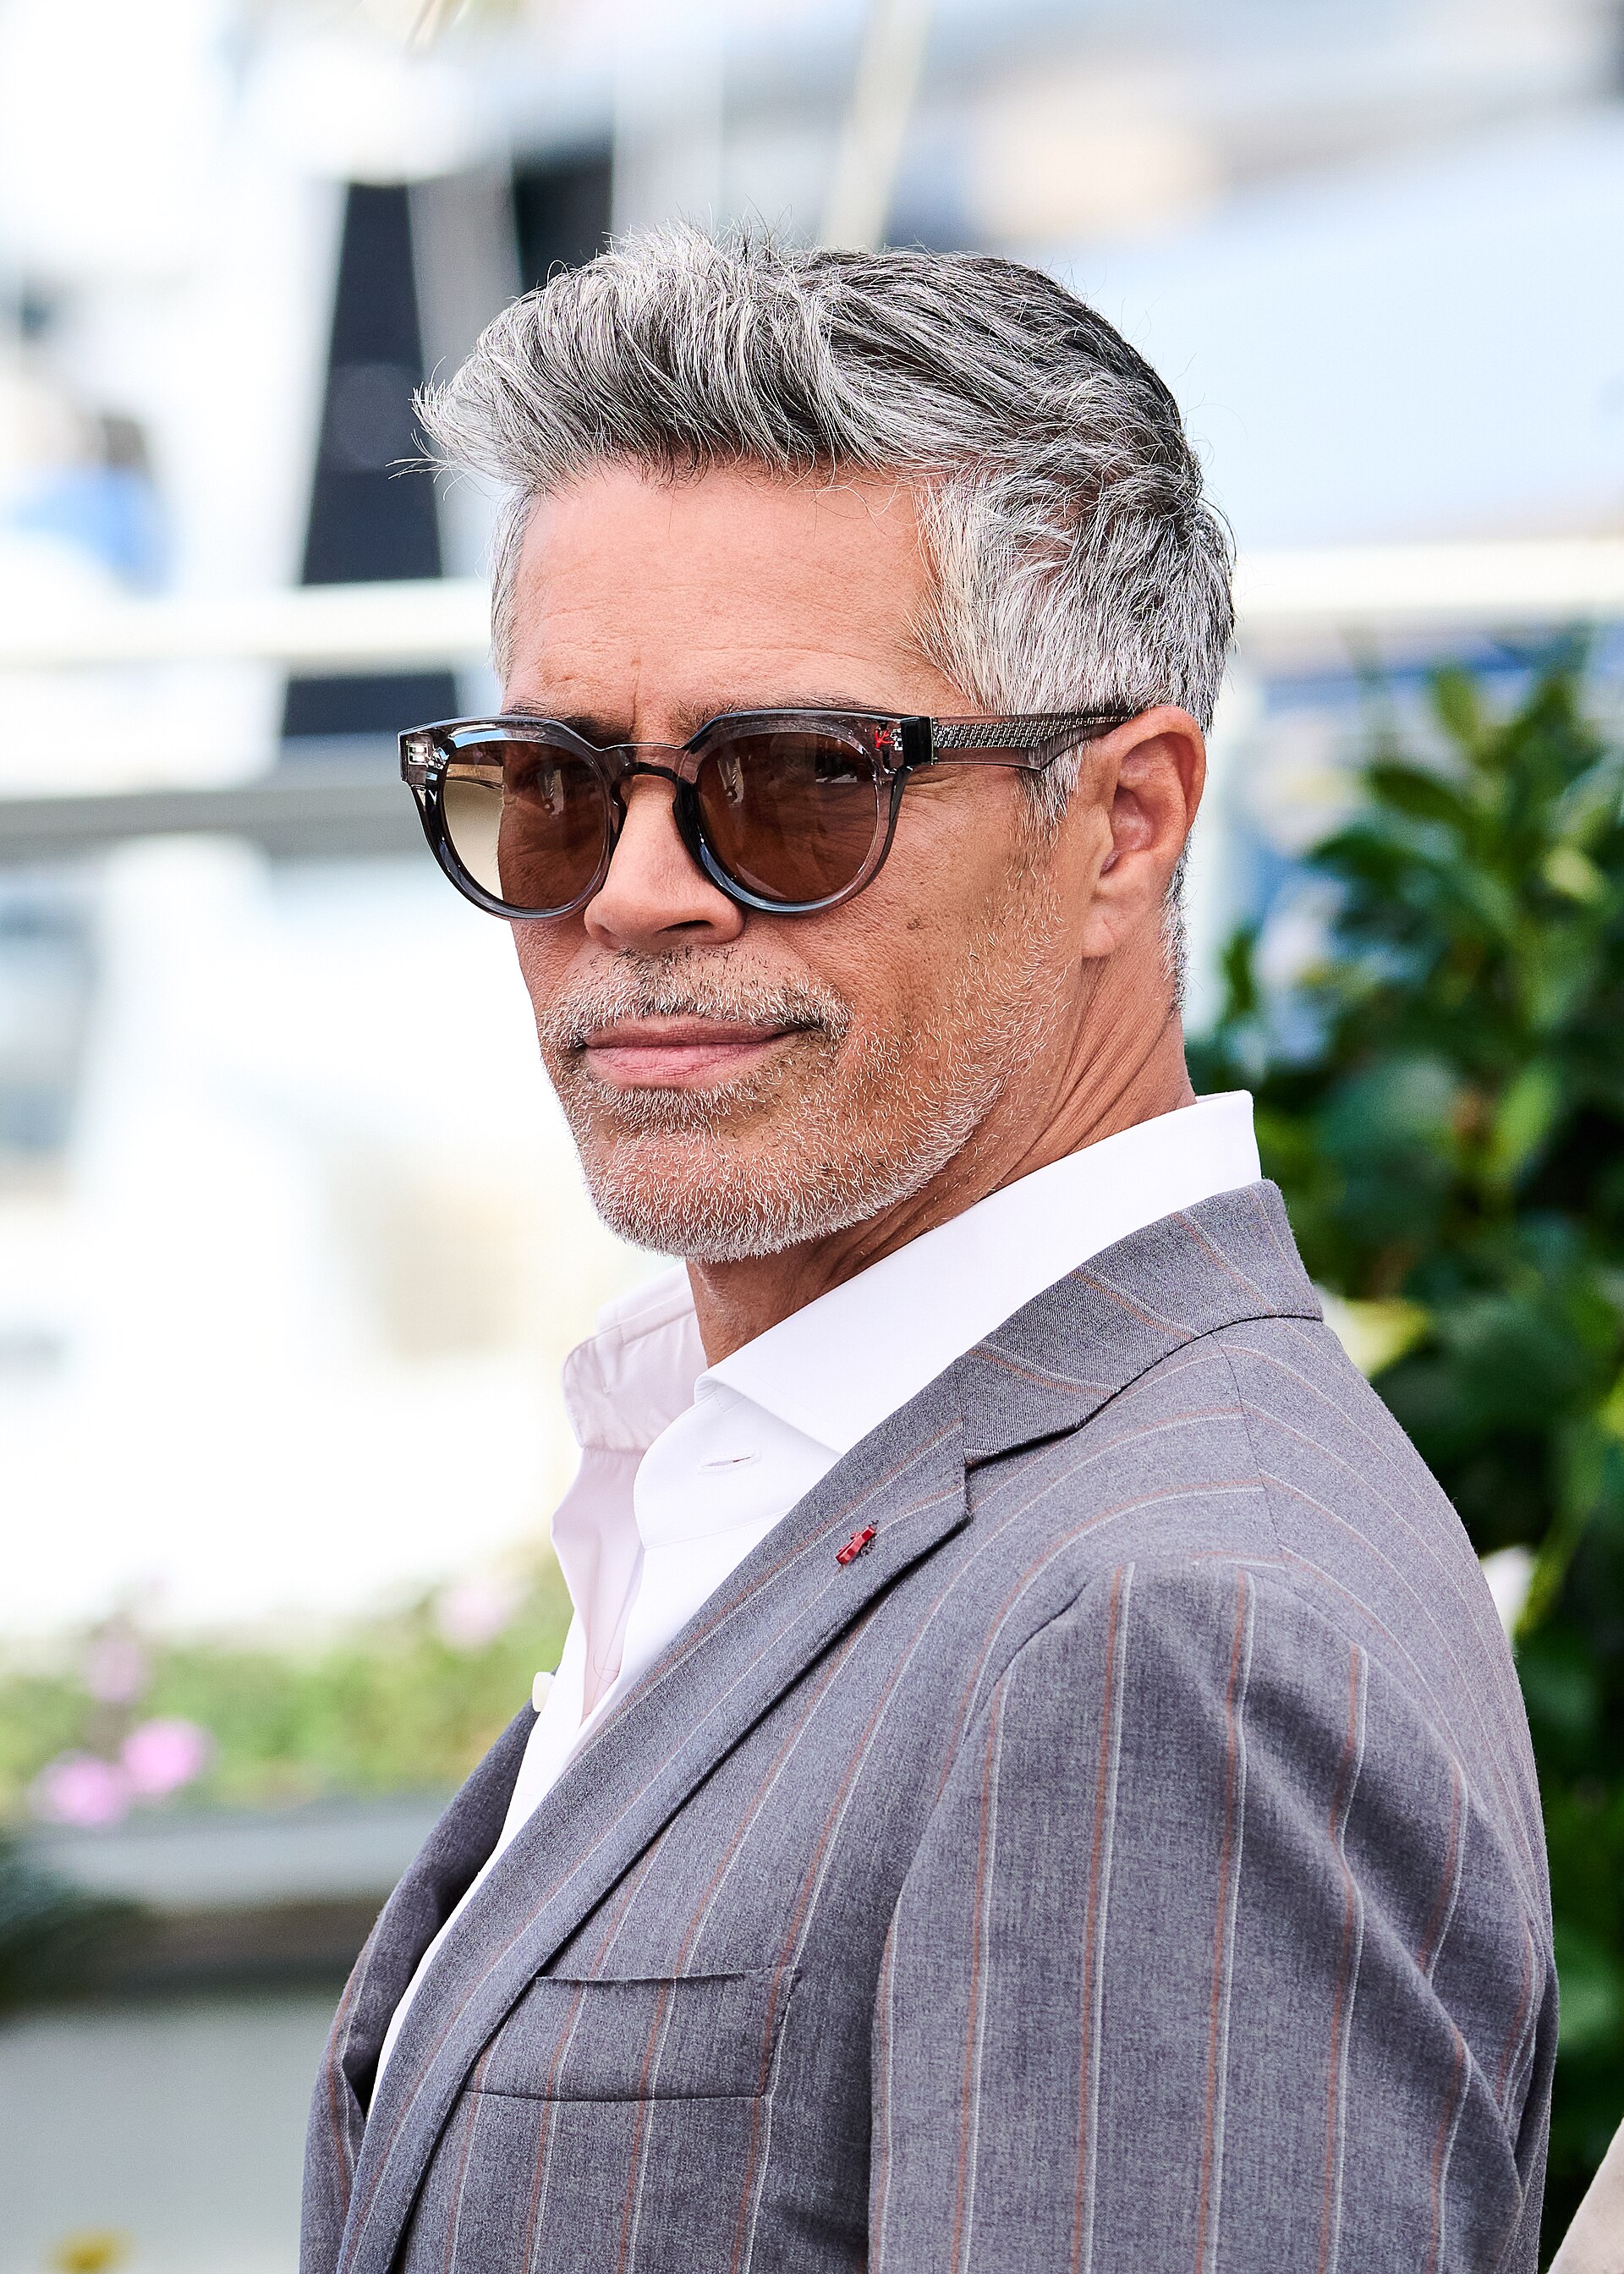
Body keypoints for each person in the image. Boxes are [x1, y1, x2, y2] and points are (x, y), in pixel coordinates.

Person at [301, 229, 1554, 2274]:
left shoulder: (1175, 1630)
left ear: (1127, 822)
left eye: (795, 786)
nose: (632, 895)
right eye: (546, 787)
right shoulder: (796, 1476)